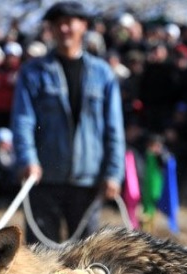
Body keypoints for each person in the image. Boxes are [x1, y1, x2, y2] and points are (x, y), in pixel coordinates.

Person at [11, 1, 125, 244]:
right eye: (58, 24)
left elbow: (114, 128)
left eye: (69, 22)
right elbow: (23, 121)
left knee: (86, 261)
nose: (64, 29)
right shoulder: (33, 73)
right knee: (40, 256)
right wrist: (27, 160)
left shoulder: (103, 73)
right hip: (43, 178)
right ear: (50, 29)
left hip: (88, 180)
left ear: (83, 26)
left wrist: (114, 173)